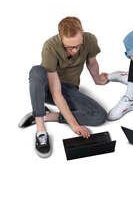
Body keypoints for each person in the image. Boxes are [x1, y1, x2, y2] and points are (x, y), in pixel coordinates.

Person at [18, 16, 120, 158]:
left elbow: (91, 62)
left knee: (100, 116)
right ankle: (40, 127)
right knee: (36, 70)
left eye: (78, 45)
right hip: (48, 88)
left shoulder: (89, 40)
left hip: (69, 89)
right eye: (70, 47)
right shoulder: (50, 46)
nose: (75, 50)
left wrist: (97, 79)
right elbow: (56, 92)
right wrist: (74, 125)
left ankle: (47, 116)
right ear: (60, 37)